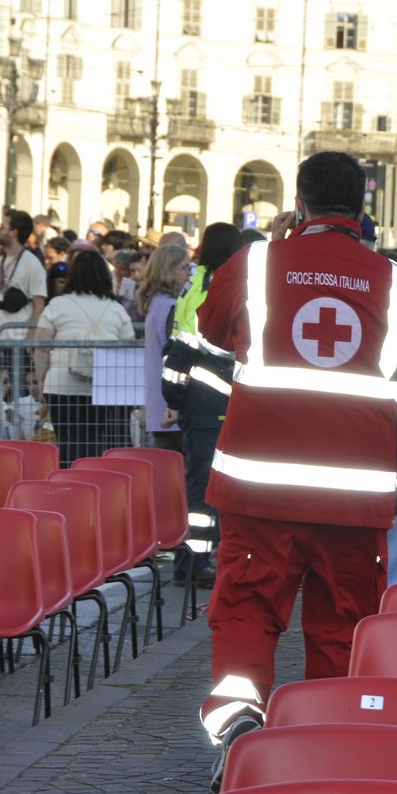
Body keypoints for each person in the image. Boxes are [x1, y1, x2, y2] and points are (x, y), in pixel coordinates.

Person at [195, 150, 397, 787]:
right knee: (341, 623)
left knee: (246, 613)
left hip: (259, 489)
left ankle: (239, 729)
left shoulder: (253, 265)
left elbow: (212, 330)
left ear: (298, 203)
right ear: (364, 208)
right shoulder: (395, 283)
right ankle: (327, 757)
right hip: (354, 501)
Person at [163, 223, 242, 586]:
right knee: (203, 486)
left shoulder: (196, 283)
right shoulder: (216, 287)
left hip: (198, 398)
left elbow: (177, 349)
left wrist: (175, 399)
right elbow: (209, 346)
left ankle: (195, 561)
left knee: (201, 482)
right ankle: (193, 565)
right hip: (213, 397)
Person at [33, 250, 134, 465]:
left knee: (68, 442)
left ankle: (69, 486)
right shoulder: (116, 309)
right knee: (96, 442)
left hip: (61, 384)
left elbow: (41, 346)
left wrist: (41, 380)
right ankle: (94, 485)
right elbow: (128, 345)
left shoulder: (57, 305)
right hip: (104, 385)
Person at [138, 242, 190, 452]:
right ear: (168, 271)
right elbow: (177, 354)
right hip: (172, 407)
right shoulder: (171, 306)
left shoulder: (155, 303)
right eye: (184, 268)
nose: (189, 273)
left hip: (159, 405)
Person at [0, 210, 46, 336]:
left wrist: (30, 340)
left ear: (13, 232)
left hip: (17, 343)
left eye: (2, 227)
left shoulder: (32, 264)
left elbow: (39, 305)